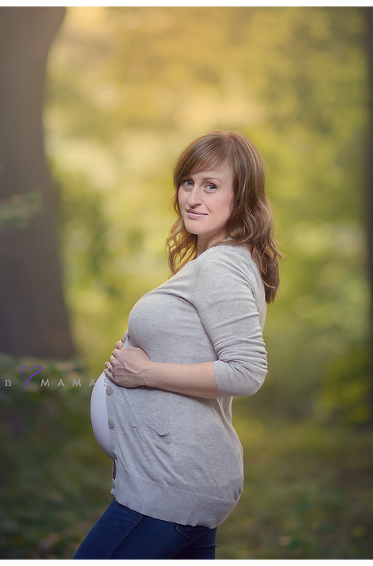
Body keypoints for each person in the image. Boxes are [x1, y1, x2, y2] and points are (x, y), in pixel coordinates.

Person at [73, 130, 281, 560]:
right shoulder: (216, 263)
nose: (193, 197)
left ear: (241, 196)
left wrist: (145, 373)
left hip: (173, 482)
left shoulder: (220, 267)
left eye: (211, 185)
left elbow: (246, 371)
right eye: (188, 182)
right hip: (175, 475)